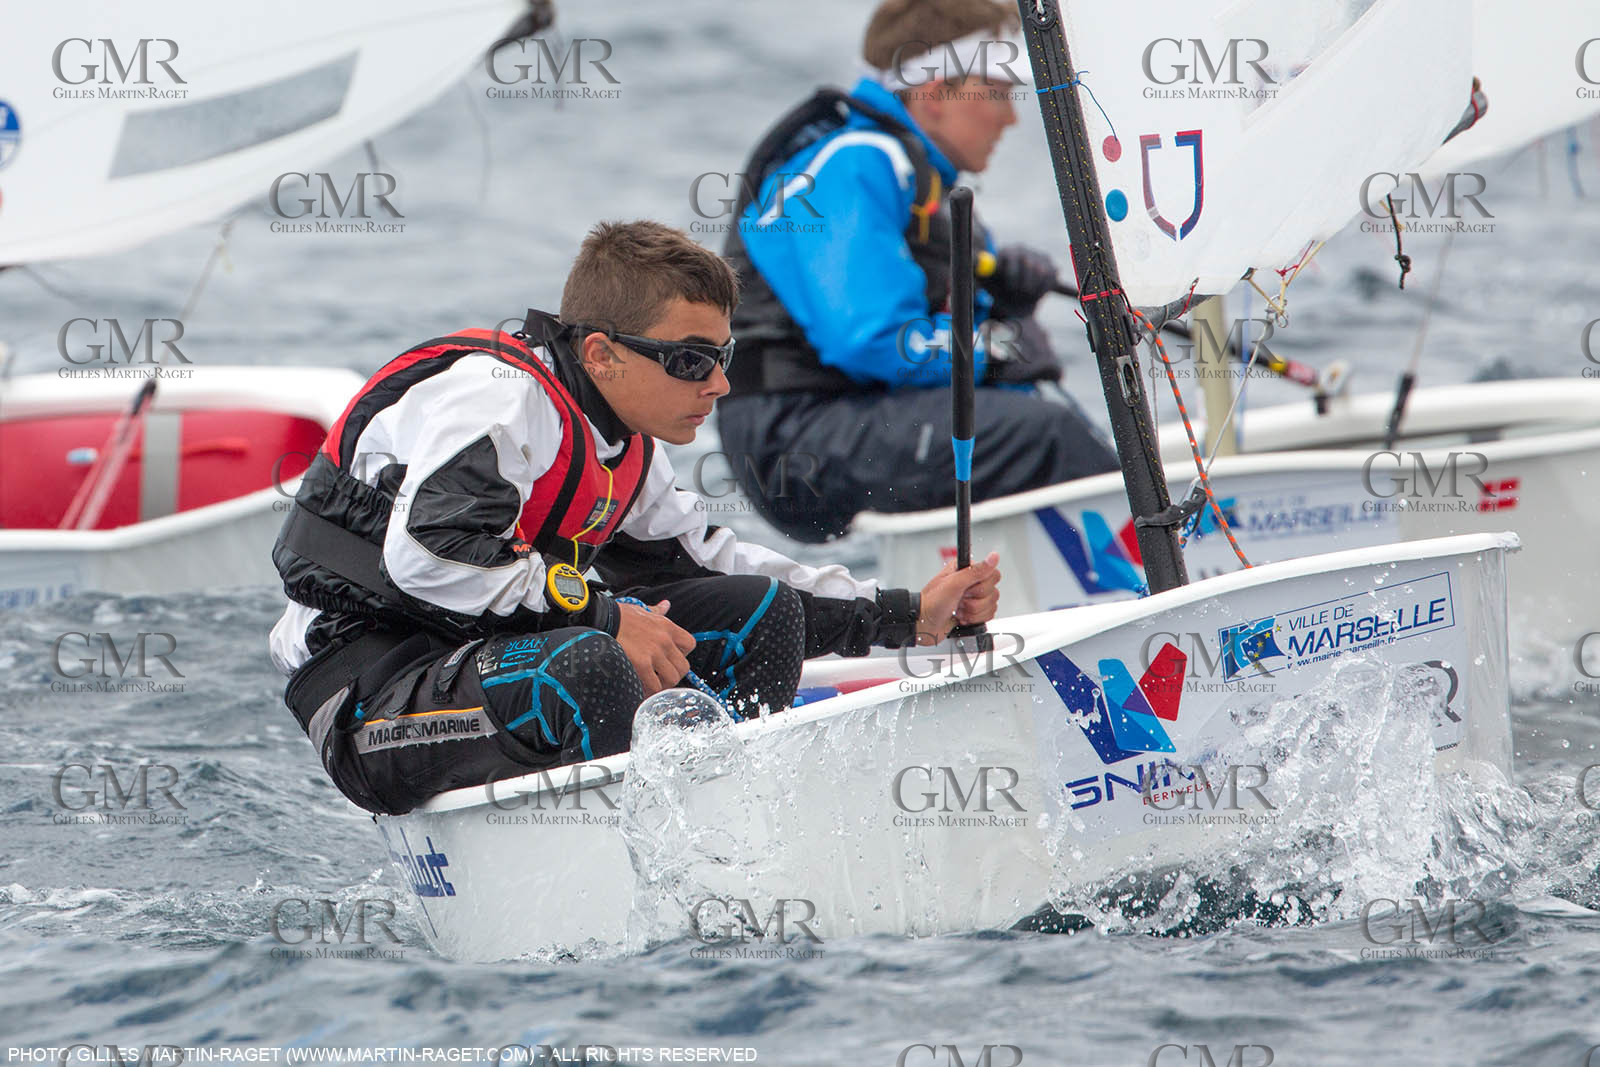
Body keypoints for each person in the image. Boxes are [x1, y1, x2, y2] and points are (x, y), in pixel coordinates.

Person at [268, 220, 1002, 816]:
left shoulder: (625, 449)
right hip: (369, 688)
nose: (718, 384)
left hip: (482, 658)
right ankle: (625, 873)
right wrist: (606, 615)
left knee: (763, 615)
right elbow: (429, 557)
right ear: (601, 353)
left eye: (723, 356)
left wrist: (905, 614)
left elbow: (717, 563)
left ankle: (731, 830)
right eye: (690, 361)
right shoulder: (499, 402)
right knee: (590, 664)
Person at [716, 0, 1118, 543]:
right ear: (934, 95)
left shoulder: (914, 175)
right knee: (1045, 437)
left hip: (843, 414)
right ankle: (1153, 580)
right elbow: (874, 340)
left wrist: (1005, 304)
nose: (1011, 117)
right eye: (998, 92)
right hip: (793, 435)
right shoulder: (854, 161)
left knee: (1028, 416)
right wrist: (1000, 348)